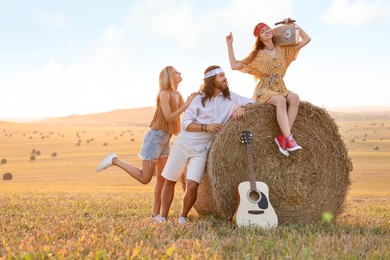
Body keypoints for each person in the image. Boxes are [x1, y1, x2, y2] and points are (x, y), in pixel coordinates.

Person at [156, 65, 255, 224]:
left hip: (202, 149)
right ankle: (163, 217)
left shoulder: (231, 98)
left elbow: (253, 101)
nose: (225, 78)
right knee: (170, 180)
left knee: (193, 184)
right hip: (184, 143)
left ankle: (183, 217)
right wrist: (205, 127)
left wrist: (242, 107)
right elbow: (186, 123)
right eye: (221, 75)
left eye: (224, 75)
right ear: (211, 80)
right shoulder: (198, 99)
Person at [96, 66, 197, 219]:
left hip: (165, 140)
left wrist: (197, 98)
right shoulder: (164, 94)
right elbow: (169, 117)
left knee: (162, 179)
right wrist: (187, 103)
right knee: (145, 178)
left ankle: (156, 215)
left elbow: (186, 109)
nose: (180, 74)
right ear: (169, 77)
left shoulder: (177, 94)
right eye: (177, 73)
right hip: (155, 138)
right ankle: (114, 160)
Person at [226, 18, 311, 156]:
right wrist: (230, 45)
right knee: (281, 101)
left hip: (280, 87)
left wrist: (292, 26)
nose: (266, 31)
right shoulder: (257, 55)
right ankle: (289, 138)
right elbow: (234, 66)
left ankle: (283, 137)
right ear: (258, 38)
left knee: (294, 98)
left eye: (267, 29)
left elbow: (306, 39)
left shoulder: (283, 50)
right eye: (262, 31)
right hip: (264, 88)